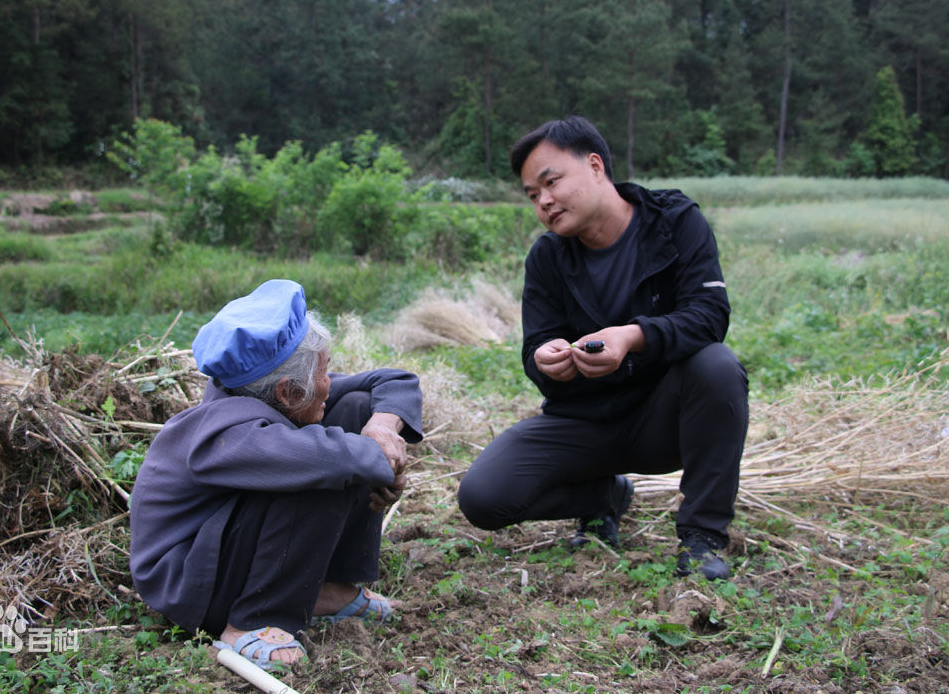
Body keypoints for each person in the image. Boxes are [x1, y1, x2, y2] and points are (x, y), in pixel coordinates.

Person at [457, 116, 748, 580]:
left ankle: (702, 539)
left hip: (664, 422)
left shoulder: (674, 221)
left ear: (595, 166)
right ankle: (604, 496)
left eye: (550, 183)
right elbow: (536, 343)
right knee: (483, 497)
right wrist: (546, 359)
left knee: (717, 366)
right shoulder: (548, 257)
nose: (544, 202)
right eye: (533, 195)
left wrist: (633, 336)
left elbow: (709, 314)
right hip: (583, 423)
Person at [129, 279, 423, 668]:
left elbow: (394, 381)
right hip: (193, 582)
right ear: (286, 393)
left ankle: (325, 590)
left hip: (228, 552)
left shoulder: (263, 391)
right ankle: (251, 622)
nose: (328, 383)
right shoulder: (226, 432)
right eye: (324, 372)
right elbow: (334, 458)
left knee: (357, 406)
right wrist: (383, 466)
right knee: (323, 463)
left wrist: (383, 429)